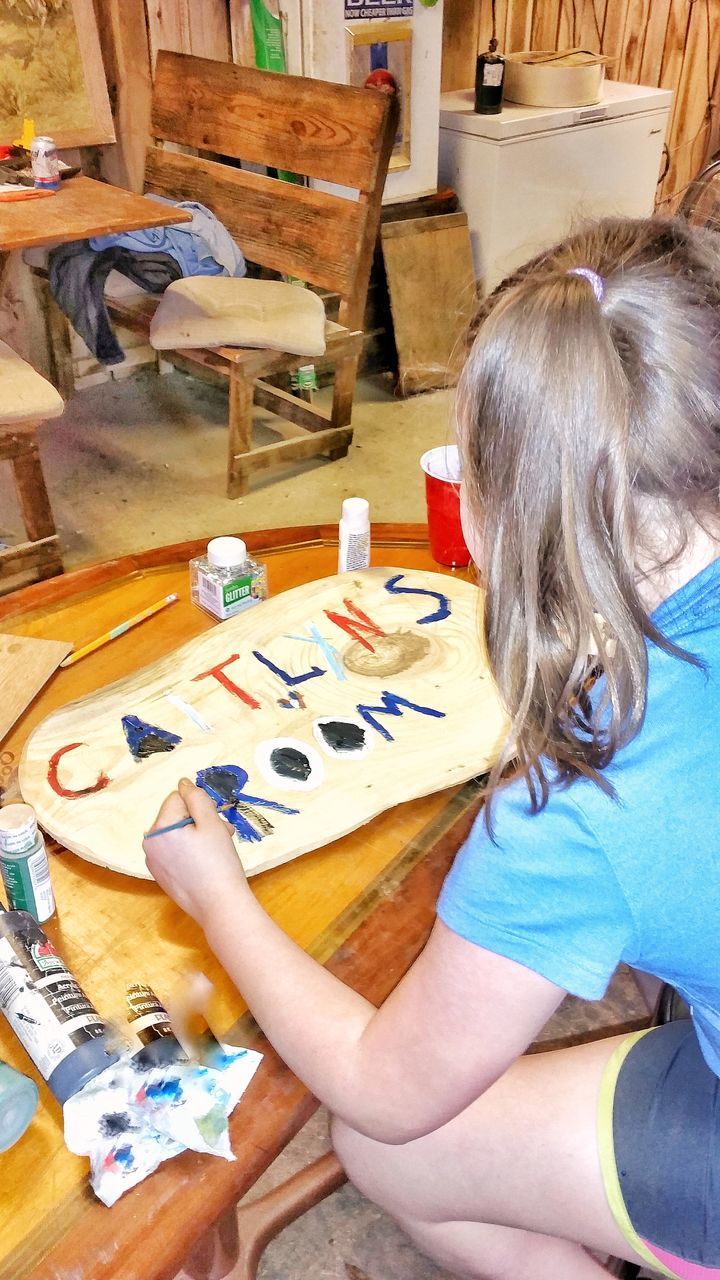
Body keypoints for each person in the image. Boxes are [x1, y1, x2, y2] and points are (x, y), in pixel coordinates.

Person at [144, 216, 720, 1280]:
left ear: (505, 516)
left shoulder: (593, 801)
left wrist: (215, 891)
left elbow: (380, 1079)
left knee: (384, 1142)